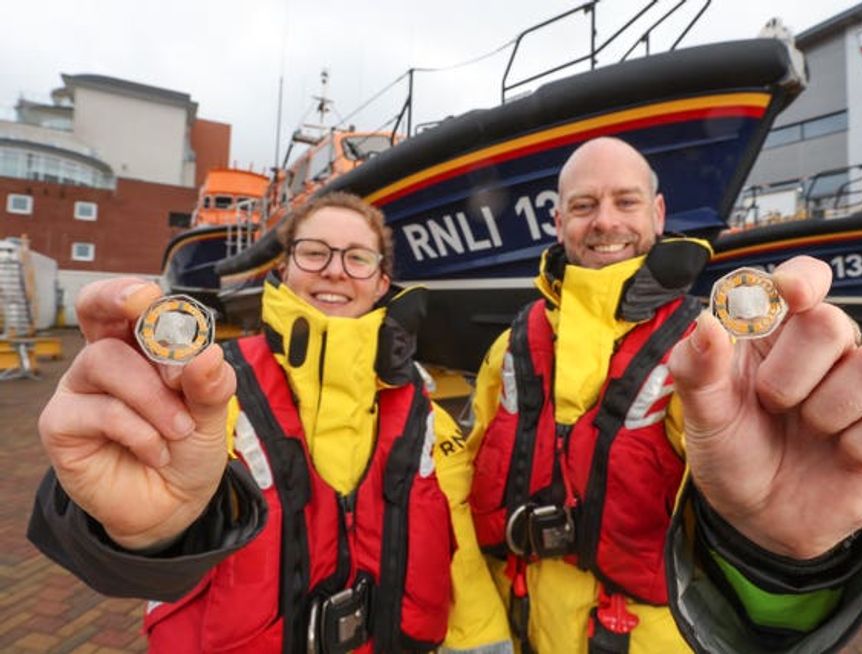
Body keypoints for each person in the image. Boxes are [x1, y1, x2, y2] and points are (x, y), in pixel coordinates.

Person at [464, 137, 862, 653]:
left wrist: (782, 557)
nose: (605, 221)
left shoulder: (711, 353)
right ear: (558, 221)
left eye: (625, 202)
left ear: (657, 213)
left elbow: (751, 598)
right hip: (515, 627)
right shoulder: (510, 349)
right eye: (584, 205)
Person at [28, 192, 512, 653]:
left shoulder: (424, 415)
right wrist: (129, 532)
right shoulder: (210, 391)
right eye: (314, 252)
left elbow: (461, 558)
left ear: (383, 281)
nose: (335, 270)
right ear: (284, 268)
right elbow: (128, 534)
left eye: (358, 258)